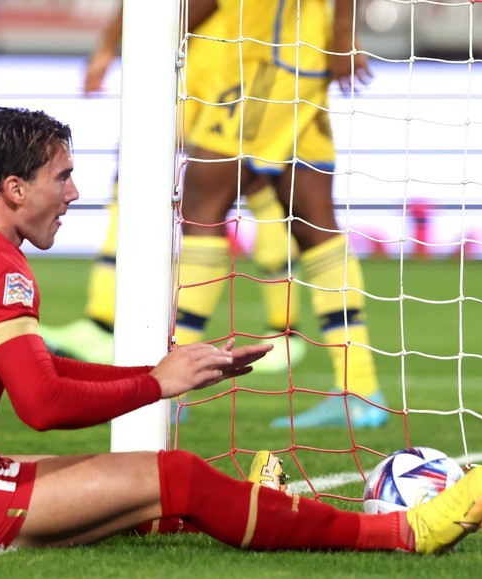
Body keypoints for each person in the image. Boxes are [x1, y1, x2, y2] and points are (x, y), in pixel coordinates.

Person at [0, 106, 482, 553]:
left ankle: (246, 505)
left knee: (135, 480)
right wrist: (157, 382)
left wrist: (166, 365)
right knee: (177, 472)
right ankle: (401, 533)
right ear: (13, 188)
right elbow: (40, 402)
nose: (74, 192)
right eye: (61, 176)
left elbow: (45, 372)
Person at [40, 2, 308, 378]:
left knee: (256, 179)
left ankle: (284, 330)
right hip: (188, 55)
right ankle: (102, 322)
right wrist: (111, 46)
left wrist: (155, 40)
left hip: (239, 50)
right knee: (134, 167)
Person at [177, 0, 387, 429]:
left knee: (202, 200)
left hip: (266, 57)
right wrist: (340, 32)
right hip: (292, 53)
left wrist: (164, 36)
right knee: (313, 219)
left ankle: (172, 383)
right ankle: (360, 388)